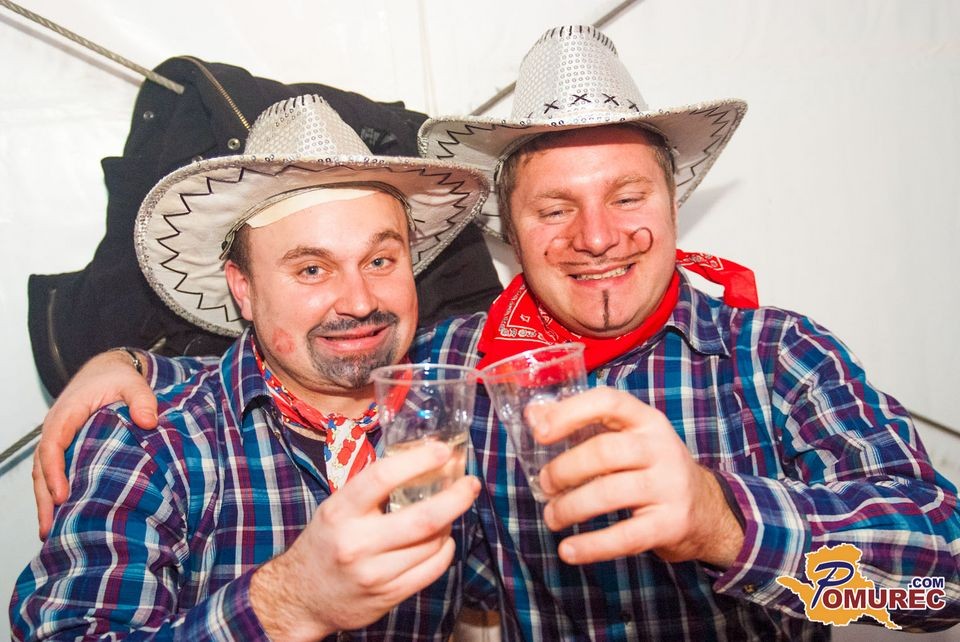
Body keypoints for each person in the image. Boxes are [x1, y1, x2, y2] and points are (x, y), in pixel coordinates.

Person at [31, 26, 960, 639]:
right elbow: (304, 369)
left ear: (673, 204)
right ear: (510, 234)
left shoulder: (777, 357)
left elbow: (938, 588)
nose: (597, 237)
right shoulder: (446, 374)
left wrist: (725, 521)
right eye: (555, 208)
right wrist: (124, 361)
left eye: (627, 196)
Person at [11, 94, 488, 640]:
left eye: (380, 260)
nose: (359, 302)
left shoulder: (453, 392)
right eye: (312, 269)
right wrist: (291, 601)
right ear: (244, 290)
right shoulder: (151, 437)